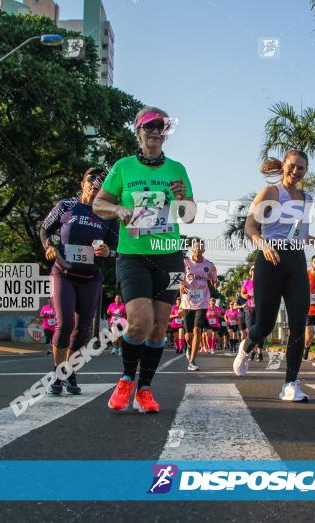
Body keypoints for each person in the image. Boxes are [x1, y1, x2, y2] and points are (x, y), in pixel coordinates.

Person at [93, 106, 195, 414]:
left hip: (170, 257)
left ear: (165, 132)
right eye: (148, 126)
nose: (154, 131)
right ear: (139, 131)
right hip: (133, 255)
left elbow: (189, 216)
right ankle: (126, 379)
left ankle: (145, 389)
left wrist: (182, 199)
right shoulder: (123, 167)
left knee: (160, 326)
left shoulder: (177, 168)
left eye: (160, 126)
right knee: (139, 322)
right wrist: (120, 211)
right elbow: (99, 203)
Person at [232, 149, 315, 402]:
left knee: (299, 321)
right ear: (284, 166)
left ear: (305, 171)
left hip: (295, 260)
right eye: (292, 166)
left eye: (301, 168)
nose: (296, 171)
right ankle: (247, 345)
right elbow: (250, 227)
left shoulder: (307, 199)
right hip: (270, 259)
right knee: (265, 325)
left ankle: (291, 384)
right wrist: (263, 245)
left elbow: (298, 233)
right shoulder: (271, 192)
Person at [40, 168, 118, 395]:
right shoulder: (66, 206)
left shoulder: (108, 214)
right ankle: (58, 372)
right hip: (63, 274)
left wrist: (108, 252)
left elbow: (118, 249)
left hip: (90, 278)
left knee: (82, 330)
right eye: (91, 179)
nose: (96, 183)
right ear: (82, 183)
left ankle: (70, 371)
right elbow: (45, 228)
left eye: (101, 181)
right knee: (64, 324)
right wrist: (49, 246)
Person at [180, 238, 218, 370]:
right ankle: (190, 347)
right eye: (196, 247)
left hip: (202, 302)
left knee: (197, 330)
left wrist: (215, 283)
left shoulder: (209, 265)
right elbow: (177, 276)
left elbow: (213, 279)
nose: (198, 249)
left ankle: (192, 361)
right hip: (187, 302)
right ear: (192, 249)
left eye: (201, 247)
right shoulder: (185, 262)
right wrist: (181, 285)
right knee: (188, 335)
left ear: (204, 249)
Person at [240, 267, 263, 361]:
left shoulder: (262, 281)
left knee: (260, 329)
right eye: (252, 269)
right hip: (249, 309)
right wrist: (245, 295)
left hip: (259, 308)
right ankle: (253, 350)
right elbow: (242, 293)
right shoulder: (247, 282)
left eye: (255, 269)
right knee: (251, 330)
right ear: (250, 272)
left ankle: (259, 352)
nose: (254, 271)